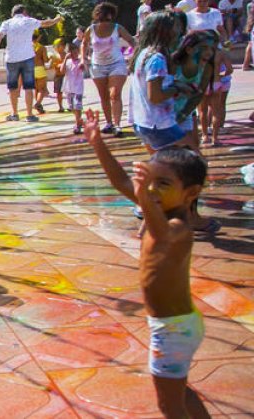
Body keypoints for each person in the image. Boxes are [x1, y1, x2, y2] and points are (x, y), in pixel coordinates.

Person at [84, 118, 210, 419]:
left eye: (162, 184)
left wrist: (142, 194)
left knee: (169, 405)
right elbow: (120, 182)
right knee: (179, 391)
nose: (151, 189)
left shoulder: (179, 226)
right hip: (175, 325)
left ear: (191, 194)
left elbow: (162, 236)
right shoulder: (158, 206)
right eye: (150, 181)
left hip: (173, 329)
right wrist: (98, 144)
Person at [128, 12, 193, 152]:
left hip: (143, 121)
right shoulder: (157, 59)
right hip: (159, 125)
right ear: (165, 32)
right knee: (194, 162)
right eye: (174, 28)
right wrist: (177, 88)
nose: (177, 32)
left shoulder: (143, 53)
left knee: (165, 168)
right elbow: (155, 96)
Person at [0, 5, 64, 122]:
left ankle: (14, 113)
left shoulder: (7, 23)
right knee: (29, 87)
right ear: (23, 12)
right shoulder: (28, 21)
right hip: (27, 58)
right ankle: (29, 114)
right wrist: (55, 20)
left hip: (11, 58)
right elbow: (45, 23)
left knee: (13, 87)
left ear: (13, 14)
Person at [83, 1, 138, 137]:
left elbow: (132, 41)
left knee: (115, 94)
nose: (103, 15)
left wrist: (133, 56)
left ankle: (117, 125)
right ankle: (109, 123)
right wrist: (83, 58)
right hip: (97, 66)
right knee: (104, 96)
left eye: (106, 13)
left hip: (116, 64)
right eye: (100, 12)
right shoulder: (91, 29)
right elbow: (84, 43)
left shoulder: (117, 28)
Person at [60, 39, 86, 135]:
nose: (75, 54)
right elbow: (62, 71)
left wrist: (82, 62)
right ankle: (79, 120)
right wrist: (65, 59)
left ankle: (77, 124)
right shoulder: (67, 62)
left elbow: (83, 68)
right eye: (72, 52)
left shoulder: (80, 61)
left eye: (76, 52)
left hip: (78, 88)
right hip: (68, 88)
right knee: (72, 107)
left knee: (77, 106)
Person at [32, 30, 50, 114]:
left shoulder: (27, 47)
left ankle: (39, 107)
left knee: (36, 89)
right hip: (40, 69)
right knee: (42, 89)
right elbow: (45, 60)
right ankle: (38, 103)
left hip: (31, 70)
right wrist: (50, 57)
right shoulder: (42, 48)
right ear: (38, 37)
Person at [50, 38, 67, 113]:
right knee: (59, 92)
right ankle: (60, 106)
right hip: (58, 76)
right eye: (55, 46)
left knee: (70, 91)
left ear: (63, 46)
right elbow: (51, 66)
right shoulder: (55, 56)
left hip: (67, 76)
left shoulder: (66, 55)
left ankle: (71, 105)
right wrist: (55, 65)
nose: (56, 48)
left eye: (58, 46)